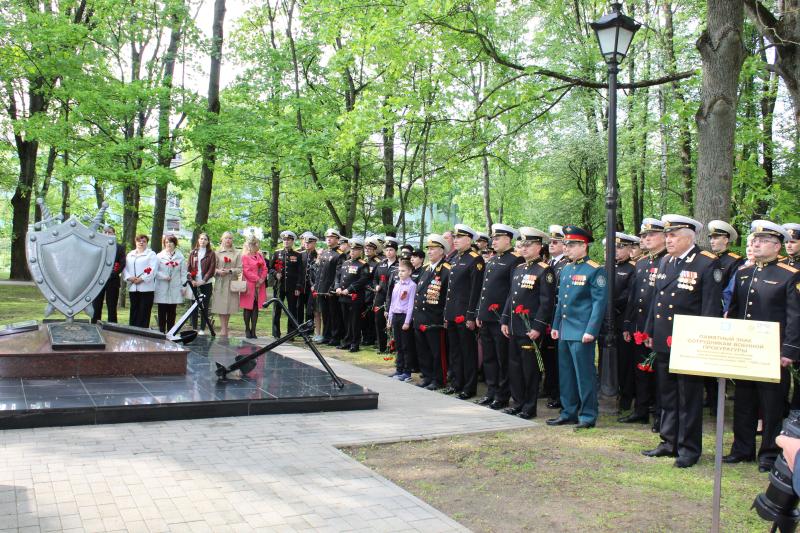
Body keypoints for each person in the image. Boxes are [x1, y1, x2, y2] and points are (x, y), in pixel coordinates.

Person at [641, 214, 723, 468]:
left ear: (689, 237)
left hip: (690, 342)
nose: (668, 239)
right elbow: (658, 300)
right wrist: (650, 331)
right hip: (664, 340)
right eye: (667, 235)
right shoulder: (666, 261)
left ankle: (689, 448)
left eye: (673, 235)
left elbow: (710, 308)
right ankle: (669, 441)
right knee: (667, 395)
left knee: (688, 397)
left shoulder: (706, 263)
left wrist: (705, 341)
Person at [724, 221, 800, 472]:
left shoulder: (789, 275)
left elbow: (795, 316)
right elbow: (734, 312)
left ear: (777, 246)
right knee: (744, 401)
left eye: (762, 241)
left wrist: (788, 350)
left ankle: (769, 453)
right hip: (746, 350)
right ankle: (742, 449)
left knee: (771, 405)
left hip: (773, 352)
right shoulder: (744, 273)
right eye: (754, 240)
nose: (755, 244)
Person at [547, 225, 607, 430]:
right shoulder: (566, 269)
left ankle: (588, 415)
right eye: (566, 244)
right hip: (565, 329)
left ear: (584, 245)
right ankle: (568, 411)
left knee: (584, 375)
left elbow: (599, 303)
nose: (567, 248)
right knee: (566, 374)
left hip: (582, 332)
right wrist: (556, 325)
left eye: (571, 244)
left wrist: (591, 330)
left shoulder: (595, 269)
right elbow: (561, 301)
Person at [500, 227, 556, 419]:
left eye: (528, 244)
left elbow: (547, 303)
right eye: (522, 244)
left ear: (539, 246)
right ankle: (518, 403)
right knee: (514, 367)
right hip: (515, 327)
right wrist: (505, 319)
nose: (523, 248)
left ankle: (529, 407)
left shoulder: (544, 270)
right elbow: (511, 297)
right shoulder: (518, 268)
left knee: (529, 370)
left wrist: (538, 327)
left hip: (529, 328)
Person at [620, 218, 667, 429]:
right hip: (639, 326)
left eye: (650, 235)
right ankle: (640, 410)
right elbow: (634, 296)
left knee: (659, 374)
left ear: (664, 237)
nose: (645, 239)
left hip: (658, 328)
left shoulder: (668, 261)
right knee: (640, 370)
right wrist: (629, 324)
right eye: (643, 236)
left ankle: (659, 415)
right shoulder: (641, 262)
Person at [475, 224, 524, 410]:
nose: (493, 241)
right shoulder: (494, 260)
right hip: (487, 317)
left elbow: (514, 292)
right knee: (489, 358)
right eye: (493, 238)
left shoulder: (515, 259)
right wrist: (480, 311)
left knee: (502, 359)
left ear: (508, 239)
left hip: (500, 318)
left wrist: (505, 317)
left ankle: (503, 396)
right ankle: (491, 391)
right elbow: (484, 290)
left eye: (497, 238)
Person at [443, 224, 485, 400]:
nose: (456, 240)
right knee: (455, 351)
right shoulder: (455, 259)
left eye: (459, 237)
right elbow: (450, 290)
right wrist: (446, 314)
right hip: (452, 312)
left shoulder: (475, 260)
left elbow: (476, 290)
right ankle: (456, 383)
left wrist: (471, 315)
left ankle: (469, 387)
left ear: (469, 239)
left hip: (464, 314)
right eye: (455, 237)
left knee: (468, 352)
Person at [600, 233, 637, 412]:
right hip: (604, 321)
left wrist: (611, 307)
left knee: (624, 362)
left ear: (631, 249)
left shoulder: (633, 269)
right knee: (605, 359)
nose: (615, 251)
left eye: (620, 247)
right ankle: (607, 392)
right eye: (613, 248)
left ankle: (626, 397)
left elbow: (629, 296)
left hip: (621, 320)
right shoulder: (604, 267)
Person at [413, 234, 451, 390]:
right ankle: (427, 376)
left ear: (442, 251)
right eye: (428, 249)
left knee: (437, 352)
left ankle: (438, 379)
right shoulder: (425, 269)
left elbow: (448, 295)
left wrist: (444, 316)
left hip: (435, 317)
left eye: (433, 249)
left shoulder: (447, 269)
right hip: (420, 316)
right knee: (423, 350)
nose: (430, 252)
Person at [543, 224, 569, 409]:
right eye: (550, 242)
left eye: (556, 242)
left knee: (558, 359)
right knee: (548, 358)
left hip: (558, 318)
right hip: (547, 317)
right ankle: (551, 389)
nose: (551, 245)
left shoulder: (566, 264)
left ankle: (559, 394)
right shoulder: (550, 264)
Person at [334, 237, 371, 352]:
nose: (352, 252)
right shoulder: (345, 263)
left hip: (355, 298)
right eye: (351, 249)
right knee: (346, 320)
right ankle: (347, 341)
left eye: (355, 250)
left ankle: (355, 343)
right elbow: (338, 276)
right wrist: (337, 287)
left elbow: (362, 280)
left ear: (360, 251)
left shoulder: (363, 265)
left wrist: (349, 289)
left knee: (354, 322)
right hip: (343, 297)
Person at [315, 229, 346, 346]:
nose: (329, 239)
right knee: (325, 314)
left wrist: (332, 288)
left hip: (331, 290)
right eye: (327, 237)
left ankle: (336, 337)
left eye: (332, 237)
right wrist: (317, 286)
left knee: (334, 314)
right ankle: (326, 336)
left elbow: (339, 274)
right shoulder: (323, 253)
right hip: (322, 289)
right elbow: (320, 272)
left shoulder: (340, 254)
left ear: (337, 240)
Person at [387, 260, 417, 380]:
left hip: (405, 317)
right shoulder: (397, 284)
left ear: (410, 271)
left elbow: (411, 305)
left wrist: (407, 322)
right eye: (399, 271)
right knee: (398, 345)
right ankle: (399, 369)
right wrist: (390, 318)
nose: (400, 273)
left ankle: (407, 372)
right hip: (396, 316)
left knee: (406, 346)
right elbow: (393, 302)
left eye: (403, 271)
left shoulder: (412, 285)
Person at [270, 230, 302, 337]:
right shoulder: (277, 253)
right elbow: (270, 268)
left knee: (292, 310)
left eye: (288, 240)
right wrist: (275, 274)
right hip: (279, 286)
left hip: (292, 287)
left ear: (293, 241)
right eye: (284, 240)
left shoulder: (297, 255)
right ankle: (276, 333)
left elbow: (300, 272)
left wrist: (298, 286)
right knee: (277, 309)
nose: (286, 242)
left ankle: (291, 333)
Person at [91, 225, 126, 324]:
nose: (107, 234)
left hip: (113, 281)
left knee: (112, 307)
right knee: (96, 307)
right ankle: (94, 327)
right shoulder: (96, 246)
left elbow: (122, 263)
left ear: (114, 234)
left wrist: (112, 274)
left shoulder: (120, 247)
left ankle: (112, 330)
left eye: (109, 232)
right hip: (98, 281)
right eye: (105, 232)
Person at [210, 231, 242, 337]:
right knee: (221, 305)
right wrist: (219, 271)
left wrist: (230, 271)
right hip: (220, 282)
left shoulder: (237, 253)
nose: (228, 240)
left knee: (229, 305)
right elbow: (211, 268)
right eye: (226, 238)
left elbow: (240, 268)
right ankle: (223, 329)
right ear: (221, 239)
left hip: (231, 281)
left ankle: (225, 328)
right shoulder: (216, 253)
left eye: (230, 238)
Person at [123, 234, 159, 329]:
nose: (141, 243)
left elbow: (153, 269)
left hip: (146, 288)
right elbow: (125, 268)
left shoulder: (151, 254)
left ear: (147, 243)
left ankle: (143, 333)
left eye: (144, 241)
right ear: (136, 242)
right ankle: (132, 331)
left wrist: (142, 278)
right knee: (134, 310)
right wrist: (129, 277)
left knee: (144, 312)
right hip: (133, 287)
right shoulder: (130, 254)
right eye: (139, 241)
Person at [154, 234, 186, 333]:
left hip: (175, 287)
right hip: (162, 287)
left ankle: (171, 332)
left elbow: (183, 273)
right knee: (162, 311)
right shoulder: (159, 256)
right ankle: (161, 332)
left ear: (175, 244)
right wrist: (163, 276)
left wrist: (184, 285)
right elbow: (154, 271)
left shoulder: (180, 257)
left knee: (172, 312)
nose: (169, 244)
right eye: (166, 242)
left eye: (171, 242)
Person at [373, 237, 400, 353]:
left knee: (392, 323)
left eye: (391, 250)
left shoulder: (399, 265)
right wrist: (376, 286)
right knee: (379, 322)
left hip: (393, 298)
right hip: (380, 297)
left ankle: (393, 347)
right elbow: (374, 279)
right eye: (387, 250)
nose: (389, 252)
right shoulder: (380, 264)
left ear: (396, 251)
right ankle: (381, 346)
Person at [187, 232, 216, 334]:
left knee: (205, 305)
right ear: (198, 240)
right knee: (193, 305)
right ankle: (194, 328)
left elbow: (211, 269)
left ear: (208, 242)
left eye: (205, 239)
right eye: (201, 239)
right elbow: (189, 268)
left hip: (206, 283)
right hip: (194, 283)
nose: (202, 241)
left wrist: (203, 281)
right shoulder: (193, 252)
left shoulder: (211, 253)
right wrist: (192, 280)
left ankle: (202, 328)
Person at [240, 237, 268, 339]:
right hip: (249, 285)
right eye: (257, 244)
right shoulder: (245, 257)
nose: (258, 246)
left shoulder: (260, 255)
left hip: (259, 286)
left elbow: (265, 268)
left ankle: (254, 330)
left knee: (256, 307)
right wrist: (257, 279)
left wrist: (261, 279)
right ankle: (247, 329)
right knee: (248, 307)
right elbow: (246, 271)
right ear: (251, 245)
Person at [298, 232, 319, 335]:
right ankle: (299, 329)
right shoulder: (300, 254)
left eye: (309, 242)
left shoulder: (318, 255)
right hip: (301, 286)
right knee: (299, 308)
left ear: (314, 243)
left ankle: (309, 330)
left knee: (310, 309)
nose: (307, 244)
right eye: (306, 242)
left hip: (312, 286)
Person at [363, 236, 383, 347]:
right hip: (363, 293)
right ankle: (365, 337)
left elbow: (377, 279)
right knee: (364, 318)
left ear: (375, 250)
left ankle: (372, 338)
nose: (367, 250)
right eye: (366, 248)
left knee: (371, 318)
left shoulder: (378, 262)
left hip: (372, 294)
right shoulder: (364, 261)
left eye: (370, 249)